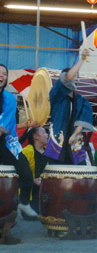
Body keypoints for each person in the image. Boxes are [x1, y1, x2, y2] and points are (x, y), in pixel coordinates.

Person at [0, 64, 38, 219]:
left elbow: (6, 124)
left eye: (4, 74)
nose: (1, 76)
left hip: (7, 143)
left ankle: (24, 202)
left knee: (26, 172)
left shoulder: (9, 98)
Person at [44, 49, 94, 165]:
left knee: (79, 173)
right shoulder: (57, 94)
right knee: (56, 173)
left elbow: (83, 120)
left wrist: (75, 135)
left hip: (74, 141)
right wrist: (82, 59)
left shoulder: (82, 100)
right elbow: (67, 79)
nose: (75, 78)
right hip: (58, 140)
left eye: (77, 76)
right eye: (74, 75)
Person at [19, 126, 50, 215]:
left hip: (46, 192)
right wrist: (32, 180)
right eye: (44, 132)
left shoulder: (49, 152)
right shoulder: (26, 152)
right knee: (33, 216)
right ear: (35, 137)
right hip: (30, 194)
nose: (47, 135)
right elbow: (19, 175)